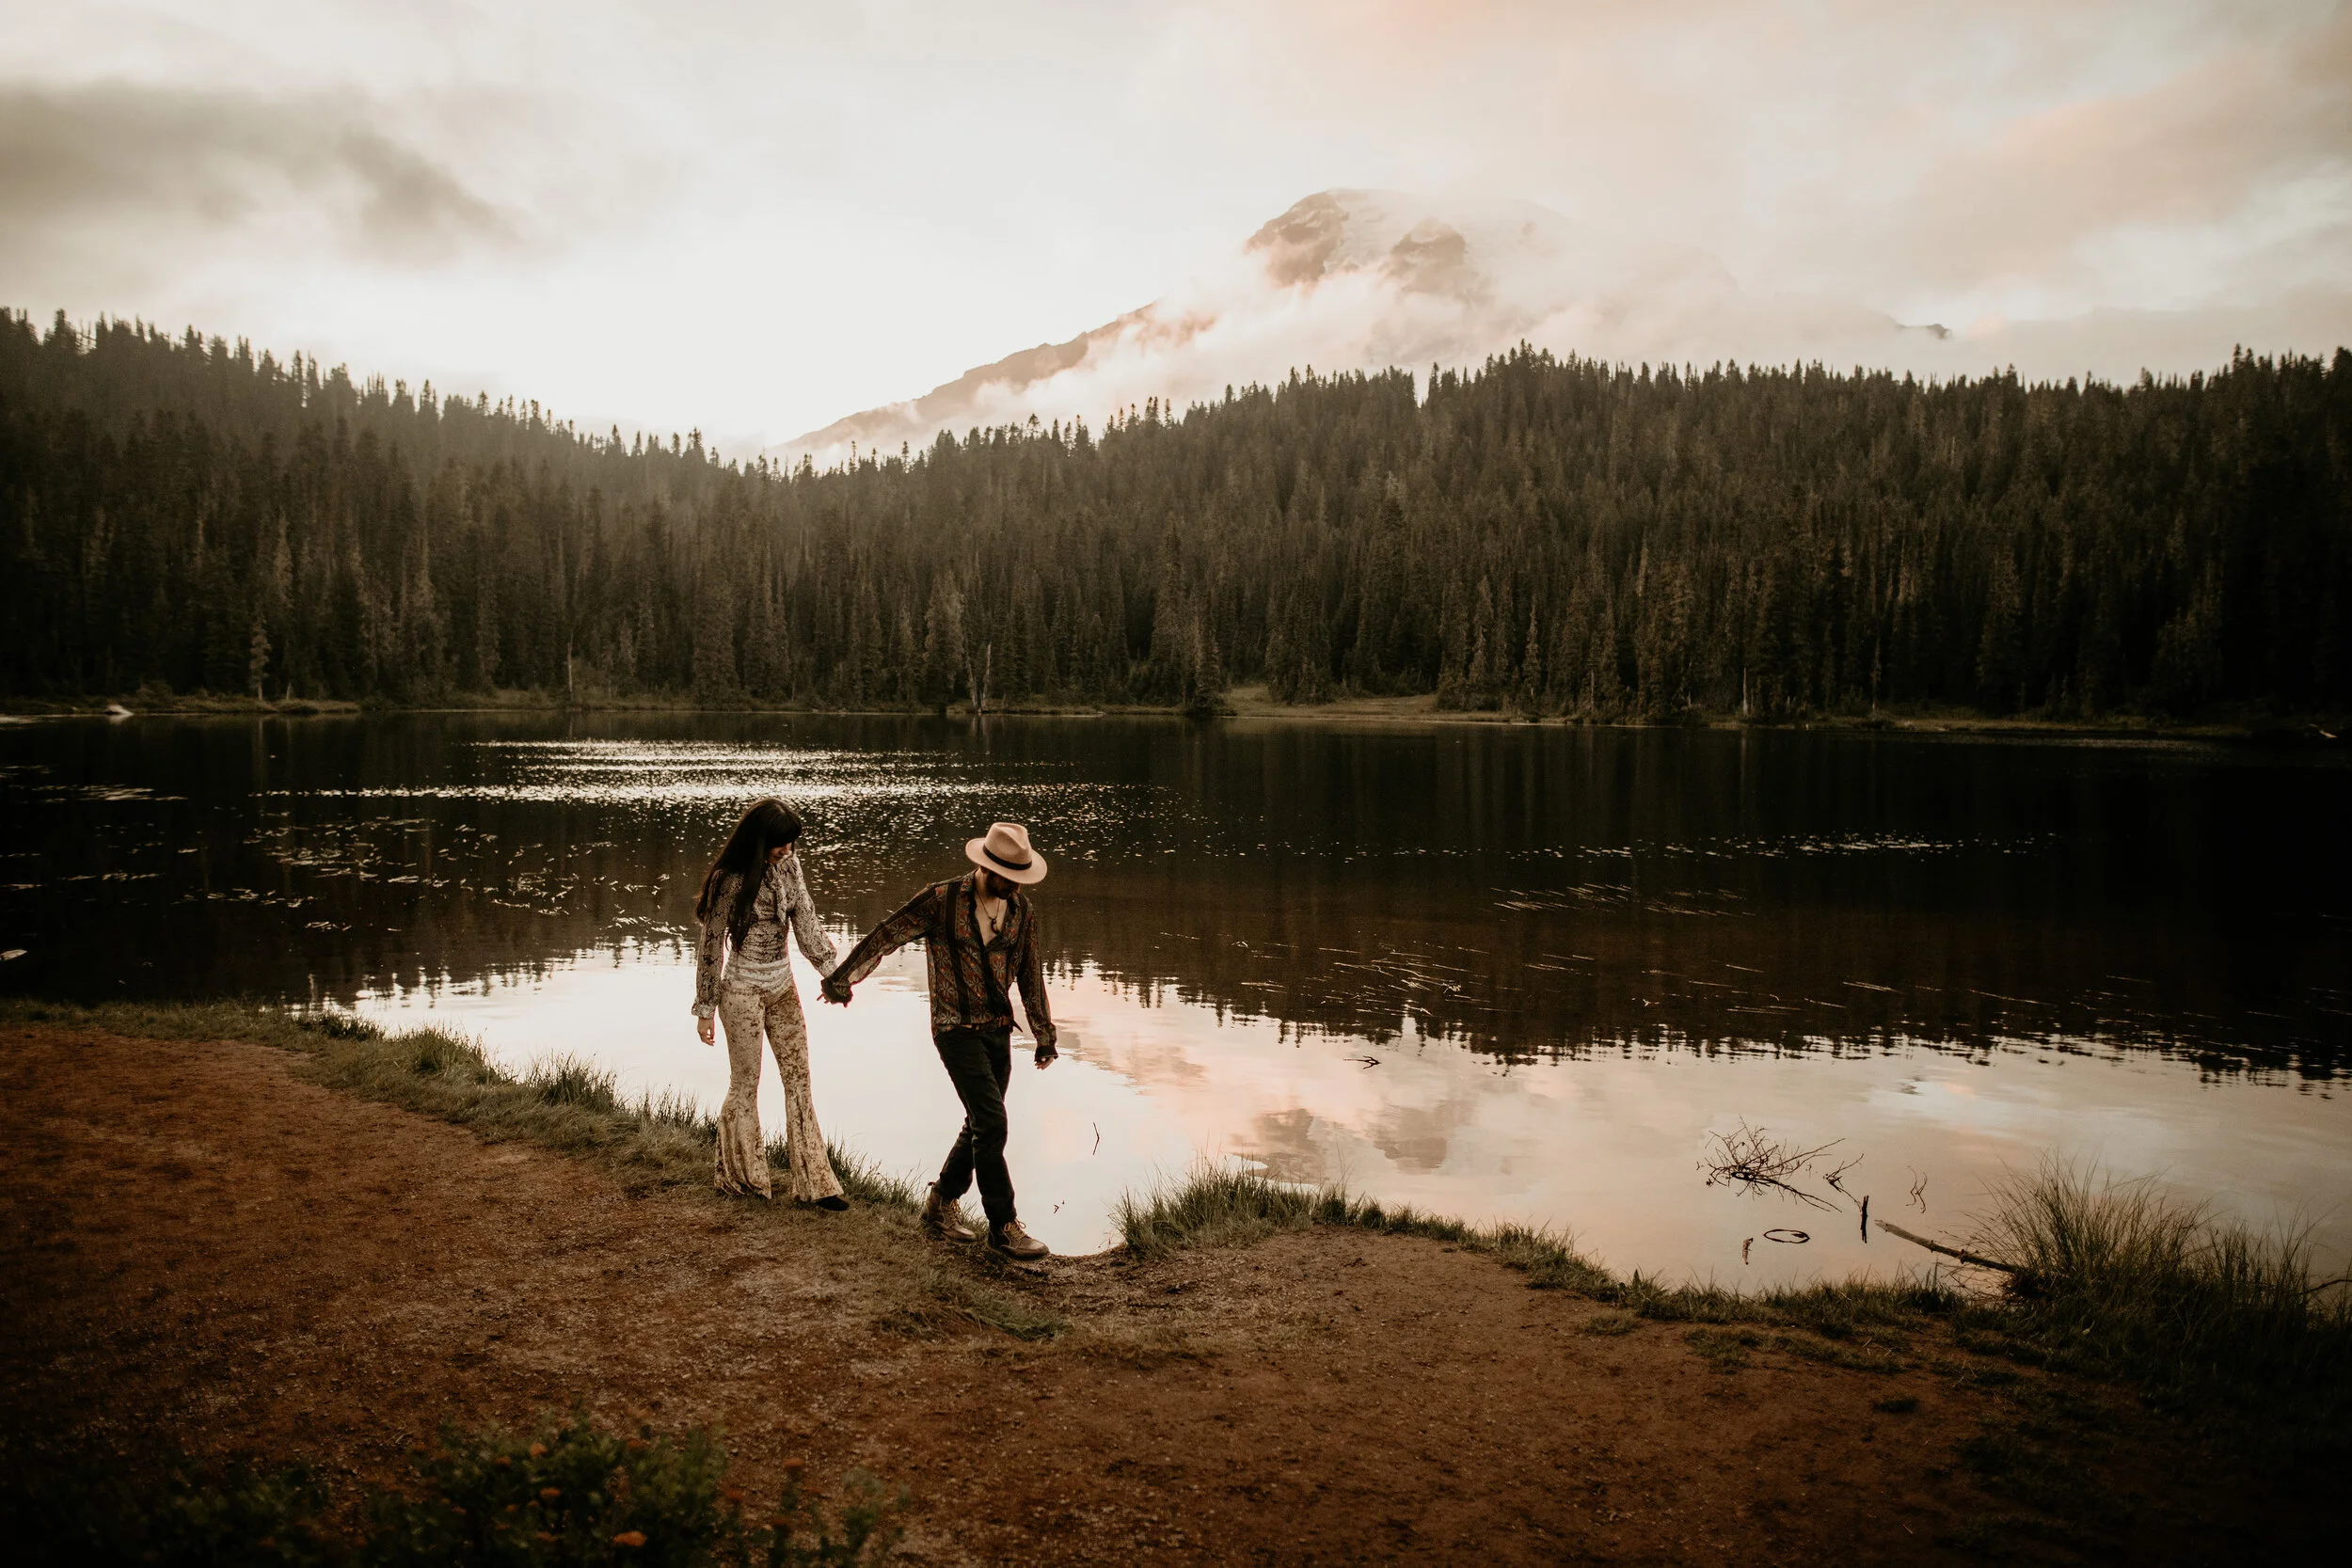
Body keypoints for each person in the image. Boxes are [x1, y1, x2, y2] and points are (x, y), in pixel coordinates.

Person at [822, 821, 1057, 1259]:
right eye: (1010, 877)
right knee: (992, 1124)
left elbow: (1031, 973)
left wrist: (1044, 1036)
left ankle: (940, 1203)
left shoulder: (1021, 911)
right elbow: (888, 933)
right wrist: (842, 979)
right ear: (988, 868)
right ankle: (1003, 1227)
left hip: (998, 1029)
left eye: (1021, 878)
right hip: (954, 1028)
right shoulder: (941, 900)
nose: (1016, 886)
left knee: (980, 1123)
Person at [691, 797, 849, 1209]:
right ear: (760, 840)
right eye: (781, 843)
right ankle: (744, 1180)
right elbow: (711, 945)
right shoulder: (728, 879)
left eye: (792, 843)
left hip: (782, 987)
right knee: (745, 1083)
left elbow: (807, 922)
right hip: (741, 991)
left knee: (799, 1080)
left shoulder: (790, 868)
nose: (787, 850)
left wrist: (833, 975)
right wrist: (706, 1008)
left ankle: (816, 1185)